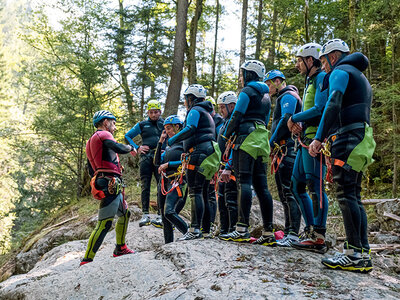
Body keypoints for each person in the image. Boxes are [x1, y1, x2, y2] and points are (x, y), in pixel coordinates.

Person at [308, 39, 375, 272]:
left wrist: (318, 137)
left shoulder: (340, 71)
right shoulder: (359, 76)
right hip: (361, 136)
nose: (323, 66)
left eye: (323, 60)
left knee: (345, 194)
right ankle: (362, 252)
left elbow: (333, 104)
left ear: (333, 56)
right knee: (353, 195)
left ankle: (353, 253)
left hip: (348, 137)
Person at [219, 60, 276, 246]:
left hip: (245, 139)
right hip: (261, 140)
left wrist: (226, 135)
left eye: (243, 74)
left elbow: (237, 114)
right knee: (262, 187)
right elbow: (266, 119)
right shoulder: (267, 96)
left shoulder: (246, 92)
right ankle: (268, 231)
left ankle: (241, 229)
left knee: (243, 182)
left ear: (249, 74)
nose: (242, 78)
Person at [285, 43, 329, 252]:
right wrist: (299, 125)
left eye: (299, 60)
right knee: (296, 185)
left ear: (310, 60)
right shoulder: (310, 81)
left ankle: (319, 235)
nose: (297, 65)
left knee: (315, 185)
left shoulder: (320, 78)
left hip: (315, 140)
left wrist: (295, 117)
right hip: (305, 139)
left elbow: (320, 108)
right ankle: (311, 229)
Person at [81, 110, 135, 266]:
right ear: (105, 122)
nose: (115, 127)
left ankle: (120, 248)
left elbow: (91, 168)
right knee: (104, 223)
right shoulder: (103, 135)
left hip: (106, 180)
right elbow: (117, 147)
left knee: (125, 214)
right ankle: (87, 259)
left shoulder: (92, 140)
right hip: (109, 182)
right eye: (113, 123)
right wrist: (130, 147)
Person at [167, 84, 221, 240]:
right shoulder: (207, 112)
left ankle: (195, 230)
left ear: (191, 98)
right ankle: (205, 230)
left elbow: (190, 128)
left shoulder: (195, 110)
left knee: (195, 191)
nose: (184, 102)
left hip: (198, 153)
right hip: (209, 153)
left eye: (185, 98)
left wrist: (174, 139)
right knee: (203, 191)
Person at [264, 69, 302, 247]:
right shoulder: (282, 98)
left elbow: (286, 119)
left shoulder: (288, 95)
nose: (268, 88)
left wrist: (270, 143)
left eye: (270, 83)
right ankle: (288, 232)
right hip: (281, 150)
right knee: (283, 192)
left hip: (288, 149)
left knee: (289, 191)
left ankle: (293, 233)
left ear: (278, 81)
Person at [125, 100, 164, 228]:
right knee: (145, 186)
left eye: (156, 112)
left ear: (160, 112)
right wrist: (137, 147)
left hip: (160, 157)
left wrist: (168, 149)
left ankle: (160, 215)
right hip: (145, 157)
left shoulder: (165, 123)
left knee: (161, 185)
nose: (153, 115)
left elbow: (174, 135)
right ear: (148, 112)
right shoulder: (142, 124)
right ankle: (145, 214)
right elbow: (128, 136)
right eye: (151, 112)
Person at [154, 115, 188, 243]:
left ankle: (188, 232)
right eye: (165, 129)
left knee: (169, 212)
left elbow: (186, 160)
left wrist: (169, 165)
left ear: (177, 126)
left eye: (169, 128)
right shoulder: (168, 146)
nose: (167, 132)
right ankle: (168, 243)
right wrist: (160, 142)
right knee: (164, 216)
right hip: (164, 182)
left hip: (178, 180)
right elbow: (157, 162)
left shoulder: (184, 143)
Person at [215, 91, 238, 238]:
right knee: (222, 199)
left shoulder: (235, 122)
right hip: (223, 166)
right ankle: (224, 230)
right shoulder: (225, 123)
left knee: (231, 198)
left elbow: (234, 145)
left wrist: (228, 167)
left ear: (231, 106)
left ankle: (232, 229)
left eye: (223, 107)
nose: (220, 111)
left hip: (231, 167)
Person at [202, 96, 224, 236]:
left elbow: (221, 139)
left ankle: (210, 224)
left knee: (211, 193)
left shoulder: (219, 120)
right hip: (207, 158)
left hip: (216, 158)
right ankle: (206, 224)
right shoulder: (205, 119)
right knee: (207, 192)